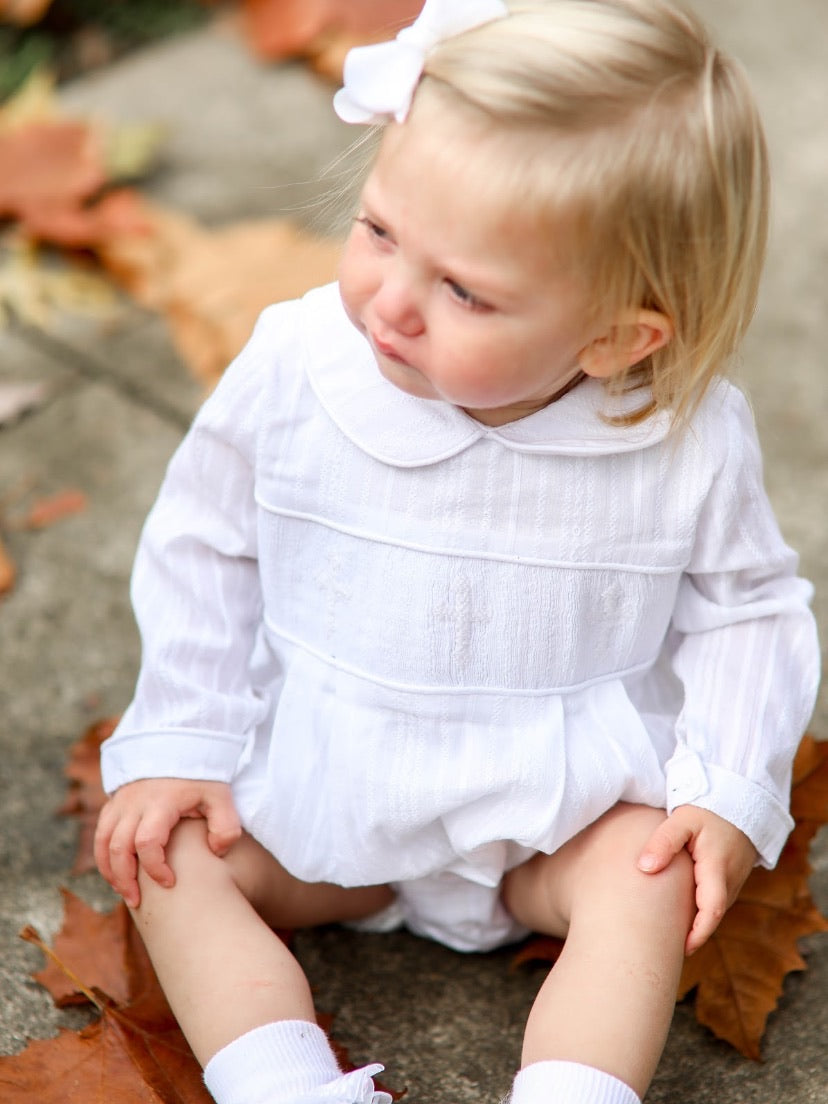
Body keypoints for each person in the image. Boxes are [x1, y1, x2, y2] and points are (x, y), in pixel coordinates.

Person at [93, 1, 820, 1102]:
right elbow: (205, 546)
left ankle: (573, 1088)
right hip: (318, 789)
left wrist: (723, 789)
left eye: (465, 290)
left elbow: (748, 608)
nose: (391, 301)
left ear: (620, 336)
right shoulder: (299, 367)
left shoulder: (679, 437)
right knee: (164, 859)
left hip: (555, 820)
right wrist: (185, 738)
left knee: (648, 883)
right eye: (380, 230)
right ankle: (281, 1080)